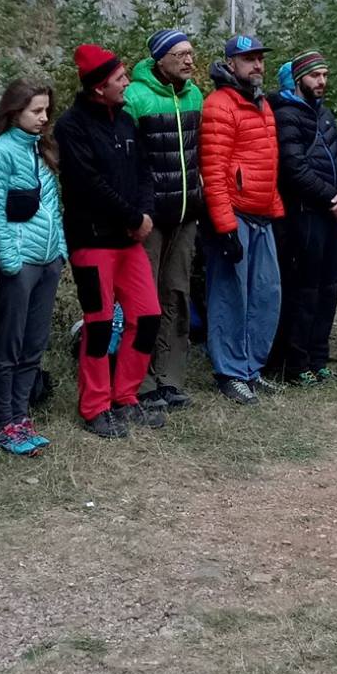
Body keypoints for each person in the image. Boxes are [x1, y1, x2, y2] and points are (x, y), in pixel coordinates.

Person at [55, 46, 162, 437]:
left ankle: (126, 397)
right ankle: (95, 406)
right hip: (92, 240)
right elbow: (88, 185)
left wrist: (145, 214)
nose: (127, 83)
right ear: (100, 87)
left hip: (129, 240)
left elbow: (144, 171)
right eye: (120, 79)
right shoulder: (71, 126)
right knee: (99, 325)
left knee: (147, 316)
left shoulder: (125, 121)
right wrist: (134, 217)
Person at [199, 35, 285, 404]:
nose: (257, 66)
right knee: (230, 296)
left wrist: (275, 205)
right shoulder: (219, 105)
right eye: (248, 59)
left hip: (262, 213)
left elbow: (268, 161)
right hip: (234, 213)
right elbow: (214, 170)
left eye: (260, 59)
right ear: (231, 64)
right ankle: (230, 372)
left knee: (266, 295)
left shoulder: (261, 103)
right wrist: (224, 226)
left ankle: (251, 368)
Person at [0, 79, 65, 455]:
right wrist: (9, 261)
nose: (44, 118)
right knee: (9, 345)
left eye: (46, 110)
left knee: (34, 344)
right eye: (36, 111)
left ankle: (21, 415)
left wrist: (59, 249)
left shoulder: (41, 150)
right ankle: (3, 422)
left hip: (47, 261)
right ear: (14, 112)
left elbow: (51, 206)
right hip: (19, 265)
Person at [123, 29, 204, 409]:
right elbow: (127, 160)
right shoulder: (134, 97)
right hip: (150, 217)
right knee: (145, 298)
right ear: (159, 59)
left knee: (176, 292)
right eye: (180, 54)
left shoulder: (194, 94)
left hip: (186, 214)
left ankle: (169, 377)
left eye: (191, 53)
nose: (189, 60)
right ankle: (139, 381)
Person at [268, 50, 337, 385]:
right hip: (303, 215)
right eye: (315, 75)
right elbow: (293, 168)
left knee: (329, 288)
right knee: (303, 290)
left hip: (331, 214)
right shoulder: (287, 115)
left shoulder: (325, 114)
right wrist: (331, 196)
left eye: (325, 75)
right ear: (300, 77)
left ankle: (319, 358)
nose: (321, 82)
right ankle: (295, 362)